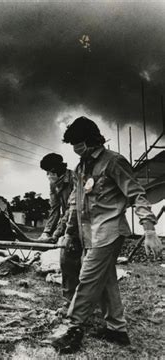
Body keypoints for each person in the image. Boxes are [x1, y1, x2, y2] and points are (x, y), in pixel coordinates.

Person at [47, 116, 163, 353]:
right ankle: (117, 329)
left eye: (78, 143)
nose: (75, 149)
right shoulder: (81, 167)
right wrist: (69, 233)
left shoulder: (114, 162)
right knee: (106, 279)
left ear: (90, 140)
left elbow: (137, 194)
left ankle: (72, 326)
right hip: (88, 233)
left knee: (88, 278)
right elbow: (74, 203)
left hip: (109, 231)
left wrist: (149, 230)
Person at [37, 153, 82, 310]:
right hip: (69, 224)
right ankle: (69, 301)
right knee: (66, 262)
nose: (47, 176)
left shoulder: (75, 178)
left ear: (55, 171)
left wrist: (56, 234)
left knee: (83, 265)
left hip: (83, 222)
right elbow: (55, 210)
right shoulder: (53, 184)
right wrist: (47, 232)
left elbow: (71, 209)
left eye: (48, 173)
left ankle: (84, 301)